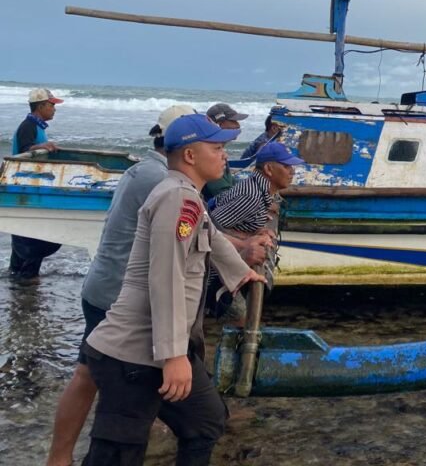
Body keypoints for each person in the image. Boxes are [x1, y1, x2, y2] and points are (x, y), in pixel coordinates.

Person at [80, 114, 265, 465]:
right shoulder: (176, 198)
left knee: (205, 421)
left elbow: (211, 237)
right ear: (190, 156)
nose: (225, 155)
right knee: (117, 454)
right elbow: (165, 276)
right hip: (133, 353)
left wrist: (242, 275)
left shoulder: (188, 196)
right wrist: (174, 355)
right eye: (218, 147)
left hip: (157, 348)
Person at [46, 104, 196, 466]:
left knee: (94, 374)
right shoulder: (162, 180)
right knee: (89, 375)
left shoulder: (143, 169)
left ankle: (65, 455)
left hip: (101, 282)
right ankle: (61, 457)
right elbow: (196, 231)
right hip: (115, 292)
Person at [207, 141, 304, 320]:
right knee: (242, 319)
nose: (292, 171)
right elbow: (210, 230)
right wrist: (245, 240)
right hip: (217, 273)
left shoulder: (262, 191)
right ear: (268, 169)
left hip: (229, 266)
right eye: (286, 166)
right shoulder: (251, 196)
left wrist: (257, 230)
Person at [9, 87, 64, 280]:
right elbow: (24, 151)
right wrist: (41, 147)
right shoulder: (28, 126)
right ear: (40, 106)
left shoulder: (37, 127)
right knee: (30, 237)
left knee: (25, 236)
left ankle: (19, 280)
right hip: (25, 189)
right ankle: (25, 282)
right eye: (51, 105)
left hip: (29, 188)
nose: (54, 109)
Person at [201, 103, 248, 201]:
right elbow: (222, 192)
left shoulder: (217, 149)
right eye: (233, 121)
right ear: (220, 124)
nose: (238, 125)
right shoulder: (211, 154)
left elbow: (230, 181)